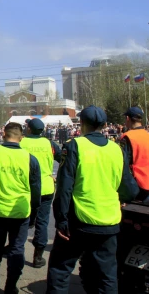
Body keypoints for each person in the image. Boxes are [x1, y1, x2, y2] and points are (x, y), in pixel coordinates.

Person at [46, 105, 139, 293]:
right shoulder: (116, 149)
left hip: (79, 221)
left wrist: (61, 219)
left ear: (81, 124)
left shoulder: (74, 146)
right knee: (107, 276)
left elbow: (65, 187)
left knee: (60, 270)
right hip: (109, 222)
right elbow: (129, 189)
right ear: (105, 125)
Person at [0, 122, 41, 294]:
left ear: (3, 134)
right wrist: (34, 213)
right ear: (21, 138)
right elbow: (36, 192)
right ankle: (11, 285)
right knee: (17, 249)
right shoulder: (30, 159)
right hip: (20, 212)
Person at [19, 118, 62, 268]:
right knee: (42, 222)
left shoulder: (21, 142)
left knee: (21, 220)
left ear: (29, 129)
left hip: (25, 188)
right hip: (46, 188)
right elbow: (63, 159)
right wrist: (58, 176)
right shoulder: (49, 144)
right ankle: (38, 256)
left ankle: (16, 250)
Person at [119, 106, 149, 203]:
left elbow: (122, 163)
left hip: (137, 186)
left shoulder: (127, 137)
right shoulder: (147, 135)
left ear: (128, 118)